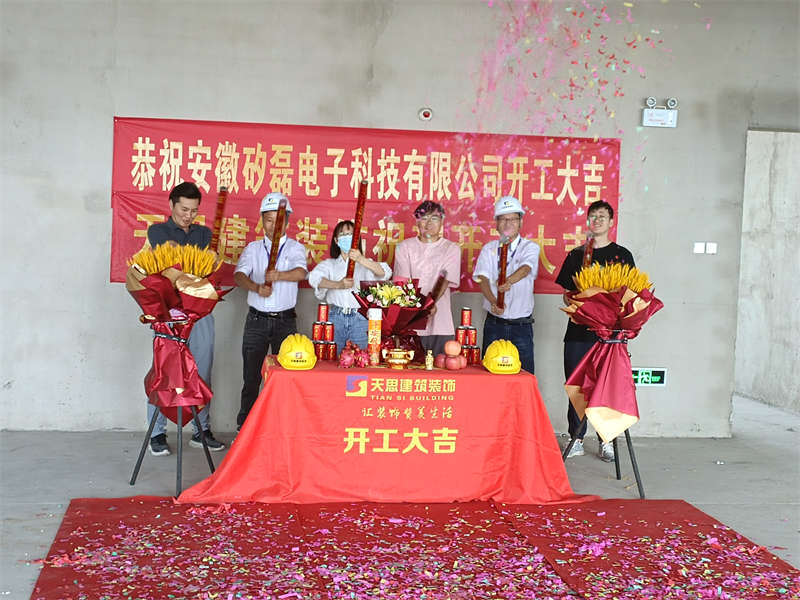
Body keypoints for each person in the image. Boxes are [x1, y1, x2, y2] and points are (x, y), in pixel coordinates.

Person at [145, 181, 225, 456]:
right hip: (169, 314)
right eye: (184, 209)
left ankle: (201, 430)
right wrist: (195, 265)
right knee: (164, 372)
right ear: (172, 205)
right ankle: (157, 432)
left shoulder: (204, 234)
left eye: (193, 210)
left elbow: (206, 269)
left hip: (199, 312)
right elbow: (170, 263)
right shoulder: (158, 231)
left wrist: (209, 262)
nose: (188, 215)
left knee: (201, 371)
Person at [555, 200, 635, 462]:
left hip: (609, 337)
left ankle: (606, 439)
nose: (597, 220)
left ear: (611, 222)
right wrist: (580, 303)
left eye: (602, 216)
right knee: (577, 385)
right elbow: (567, 294)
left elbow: (629, 295)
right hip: (578, 333)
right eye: (593, 216)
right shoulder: (577, 255)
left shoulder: (622, 256)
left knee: (606, 387)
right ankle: (576, 437)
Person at [233, 192, 308, 429]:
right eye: (268, 220)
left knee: (284, 378)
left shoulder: (296, 248)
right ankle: (245, 430)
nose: (273, 225)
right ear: (261, 221)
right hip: (256, 322)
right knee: (251, 377)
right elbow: (239, 275)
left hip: (285, 323)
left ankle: (281, 429)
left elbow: (301, 272)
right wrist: (256, 287)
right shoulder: (253, 249)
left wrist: (279, 275)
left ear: (287, 222)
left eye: (279, 220)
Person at [473, 196, 539, 374]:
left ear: (520, 222)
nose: (508, 223)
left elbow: (526, 268)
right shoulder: (489, 249)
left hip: (521, 327)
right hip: (495, 324)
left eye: (513, 219)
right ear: (496, 223)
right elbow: (482, 279)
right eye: (503, 219)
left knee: (524, 375)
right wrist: (493, 301)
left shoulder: (530, 247)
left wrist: (508, 281)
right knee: (490, 375)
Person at [308, 220, 391, 353]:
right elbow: (314, 279)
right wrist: (338, 285)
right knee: (332, 358)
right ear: (336, 240)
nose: (347, 237)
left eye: (351, 234)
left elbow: (385, 272)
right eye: (343, 235)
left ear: (357, 239)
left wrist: (360, 259)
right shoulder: (330, 264)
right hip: (335, 318)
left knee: (362, 358)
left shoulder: (366, 263)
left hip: (361, 319)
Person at [393, 201, 462, 356]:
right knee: (410, 368)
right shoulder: (404, 247)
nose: (429, 223)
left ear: (442, 222)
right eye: (424, 218)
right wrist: (419, 310)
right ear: (417, 222)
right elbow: (403, 283)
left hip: (441, 322)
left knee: (441, 366)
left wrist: (430, 305)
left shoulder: (451, 249)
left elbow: (445, 279)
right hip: (411, 322)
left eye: (434, 219)